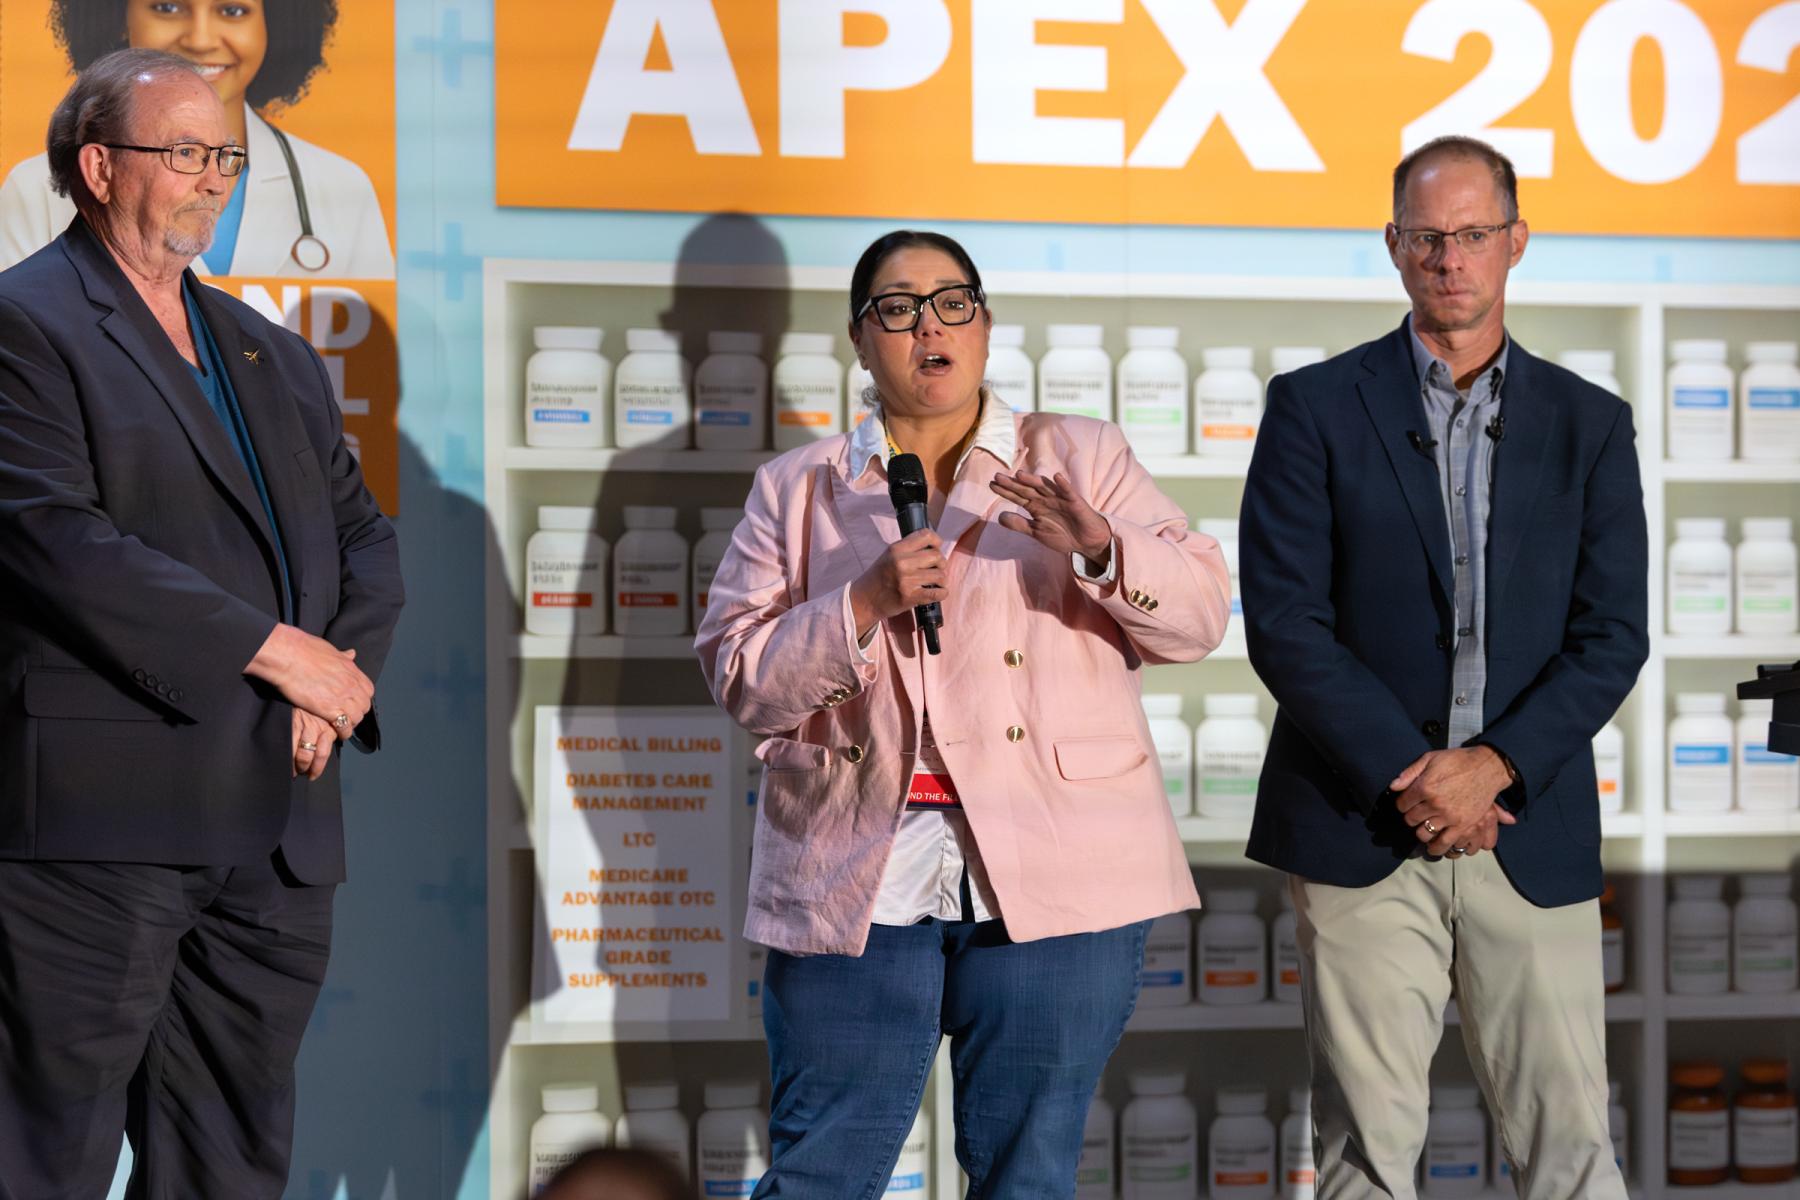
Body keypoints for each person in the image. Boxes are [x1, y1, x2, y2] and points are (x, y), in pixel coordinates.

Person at [695, 229, 1231, 1197]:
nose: (928, 327)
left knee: (1028, 1177)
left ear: (984, 325)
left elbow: (1198, 620)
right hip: (854, 866)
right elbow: (740, 676)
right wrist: (860, 604)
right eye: (898, 309)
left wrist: (1102, 548)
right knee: (820, 1176)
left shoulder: (1080, 455)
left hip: (1059, 864)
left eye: (952, 303)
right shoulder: (796, 487)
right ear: (860, 340)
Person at [0, 49, 404, 1197]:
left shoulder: (274, 355)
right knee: (47, 1160)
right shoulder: (22, 325)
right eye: (184, 152)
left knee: (230, 1165)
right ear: (97, 167)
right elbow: (54, 541)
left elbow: (365, 543)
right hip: (102, 830)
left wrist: (337, 680)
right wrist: (283, 658)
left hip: (276, 832)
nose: (216, 176)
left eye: (224, 153)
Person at [1239, 135, 1646, 1199]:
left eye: (1472, 234)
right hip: (1362, 825)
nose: (1450, 258)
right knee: (1364, 1158)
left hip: (1528, 828)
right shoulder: (1313, 407)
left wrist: (1492, 767)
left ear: (1517, 240)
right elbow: (1284, 623)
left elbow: (1613, 635)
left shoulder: (1591, 424)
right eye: (1426, 237)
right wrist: (1418, 779)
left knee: (1571, 1152)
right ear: (1393, 245)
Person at [0, 0, 394, 278]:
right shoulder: (34, 191)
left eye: (232, 11)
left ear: (273, 25)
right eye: (168, 7)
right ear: (119, 17)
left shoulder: (342, 188)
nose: (201, 40)